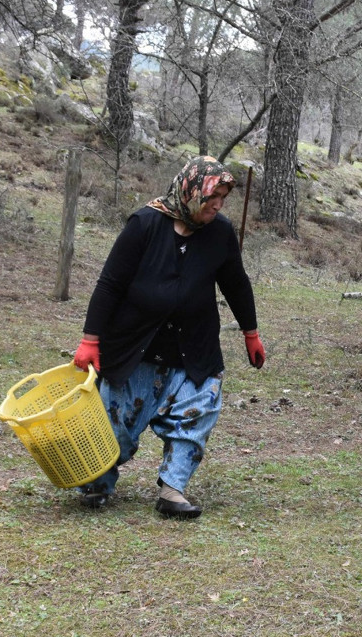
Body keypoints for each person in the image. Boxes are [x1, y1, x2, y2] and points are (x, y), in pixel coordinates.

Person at [70, 156, 265, 518]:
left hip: (193, 347)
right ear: (191, 191)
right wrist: (91, 339)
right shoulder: (144, 224)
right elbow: (110, 284)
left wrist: (251, 333)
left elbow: (237, 284)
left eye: (223, 197)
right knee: (117, 424)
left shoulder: (219, 233)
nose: (218, 205)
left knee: (198, 411)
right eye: (212, 197)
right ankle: (97, 483)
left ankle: (173, 489)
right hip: (135, 347)